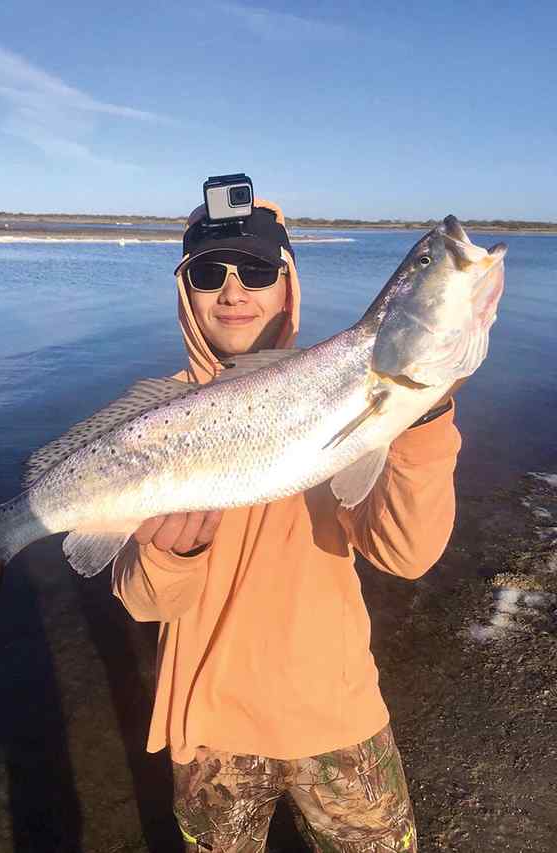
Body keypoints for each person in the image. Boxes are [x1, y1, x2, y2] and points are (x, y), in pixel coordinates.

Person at [112, 196, 462, 852]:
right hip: (211, 732)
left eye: (255, 268)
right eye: (209, 273)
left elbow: (407, 552)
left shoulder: (345, 389)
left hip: (338, 710)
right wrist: (169, 559)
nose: (234, 290)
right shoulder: (148, 424)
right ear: (185, 291)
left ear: (288, 282)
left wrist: (419, 418)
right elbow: (141, 598)